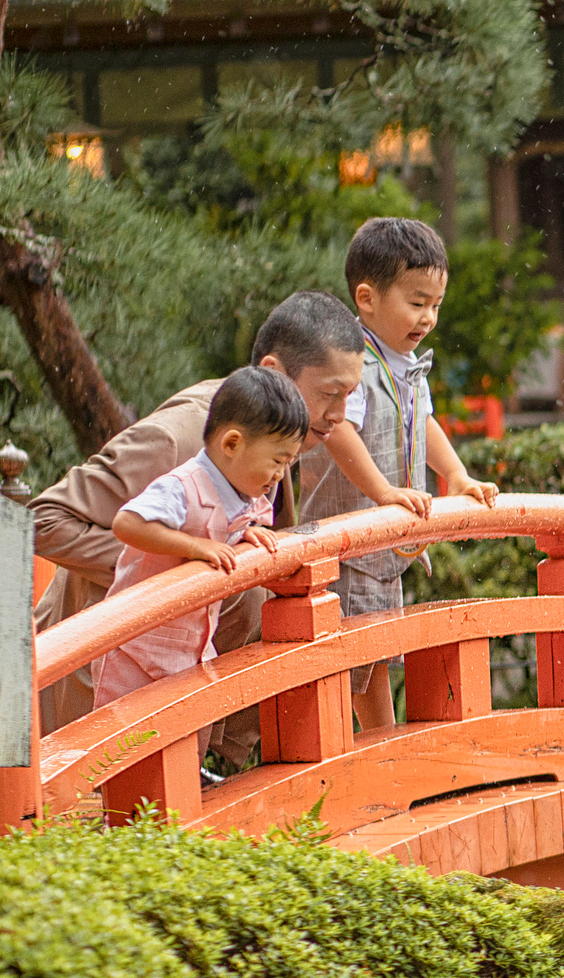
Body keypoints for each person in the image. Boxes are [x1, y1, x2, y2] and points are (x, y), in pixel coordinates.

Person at [30, 291, 367, 743]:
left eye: (348, 396)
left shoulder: (275, 436)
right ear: (272, 373)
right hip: (90, 696)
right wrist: (170, 562)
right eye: (330, 394)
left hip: (173, 686)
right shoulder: (184, 437)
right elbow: (44, 521)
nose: (339, 415)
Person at [304, 216, 499, 729]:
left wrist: (455, 475)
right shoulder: (356, 365)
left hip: (383, 544)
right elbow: (339, 430)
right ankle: (374, 751)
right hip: (348, 541)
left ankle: (377, 746)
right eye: (416, 303)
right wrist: (383, 490)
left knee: (372, 658)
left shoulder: (407, 364)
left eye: (435, 304)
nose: (429, 317)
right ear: (367, 298)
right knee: (353, 662)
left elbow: (424, 422)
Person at [92, 368, 307, 716]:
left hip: (190, 652)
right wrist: (196, 547)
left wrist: (241, 534)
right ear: (232, 444)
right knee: (127, 752)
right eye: (277, 461)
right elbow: (127, 523)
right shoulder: (182, 486)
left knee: (185, 747)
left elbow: (225, 525)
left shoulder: (244, 492)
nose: (281, 474)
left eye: (289, 462)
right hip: (135, 652)